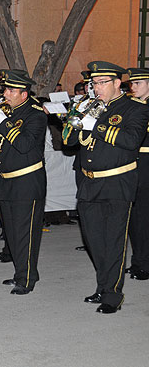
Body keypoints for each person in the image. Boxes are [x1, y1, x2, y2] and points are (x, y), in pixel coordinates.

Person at [62, 61, 149, 314]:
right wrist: (73, 119)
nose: (96, 88)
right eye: (94, 83)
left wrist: (96, 126)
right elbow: (68, 142)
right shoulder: (90, 106)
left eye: (101, 83)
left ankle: (112, 294)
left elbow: (131, 140)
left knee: (113, 240)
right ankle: (103, 284)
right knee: (94, 240)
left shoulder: (135, 108)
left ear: (116, 83)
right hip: (89, 181)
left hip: (117, 182)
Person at [0, 70, 47, 295]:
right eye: (4, 89)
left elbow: (25, 145)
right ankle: (21, 272)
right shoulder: (6, 111)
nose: (4, 93)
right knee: (13, 232)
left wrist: (4, 122)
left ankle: (27, 278)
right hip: (6, 180)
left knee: (25, 232)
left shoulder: (35, 114)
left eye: (10, 90)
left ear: (24, 94)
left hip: (27, 180)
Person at [125, 68, 149, 281]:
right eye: (132, 84)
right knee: (135, 216)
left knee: (143, 216)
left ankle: (144, 263)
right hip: (133, 162)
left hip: (147, 163)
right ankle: (138, 260)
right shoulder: (133, 107)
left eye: (138, 83)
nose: (133, 87)